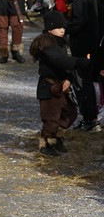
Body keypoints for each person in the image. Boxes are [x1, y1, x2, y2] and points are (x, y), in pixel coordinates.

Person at [29, 10, 83, 156]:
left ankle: (56, 137)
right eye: (58, 27)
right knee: (51, 118)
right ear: (49, 29)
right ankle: (46, 143)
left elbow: (65, 65)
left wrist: (69, 78)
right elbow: (60, 61)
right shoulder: (46, 44)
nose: (62, 30)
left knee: (70, 113)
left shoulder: (61, 43)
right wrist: (80, 62)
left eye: (64, 27)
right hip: (49, 87)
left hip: (61, 86)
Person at [54, 0, 101, 130]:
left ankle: (90, 119)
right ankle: (92, 118)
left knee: (83, 82)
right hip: (95, 42)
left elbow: (79, 20)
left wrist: (65, 29)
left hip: (83, 44)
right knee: (89, 81)